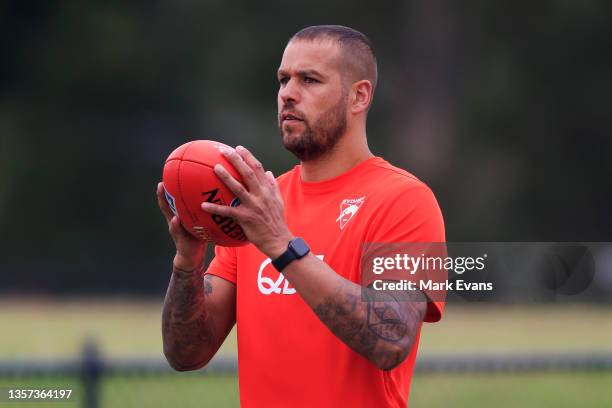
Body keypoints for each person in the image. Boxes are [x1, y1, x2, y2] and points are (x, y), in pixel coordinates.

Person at [157, 25, 445, 408]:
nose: (288, 94)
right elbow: (186, 354)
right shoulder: (257, 205)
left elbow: (390, 339)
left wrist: (282, 247)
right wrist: (188, 262)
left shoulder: (404, 200)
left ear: (359, 96)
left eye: (310, 79)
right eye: (283, 80)